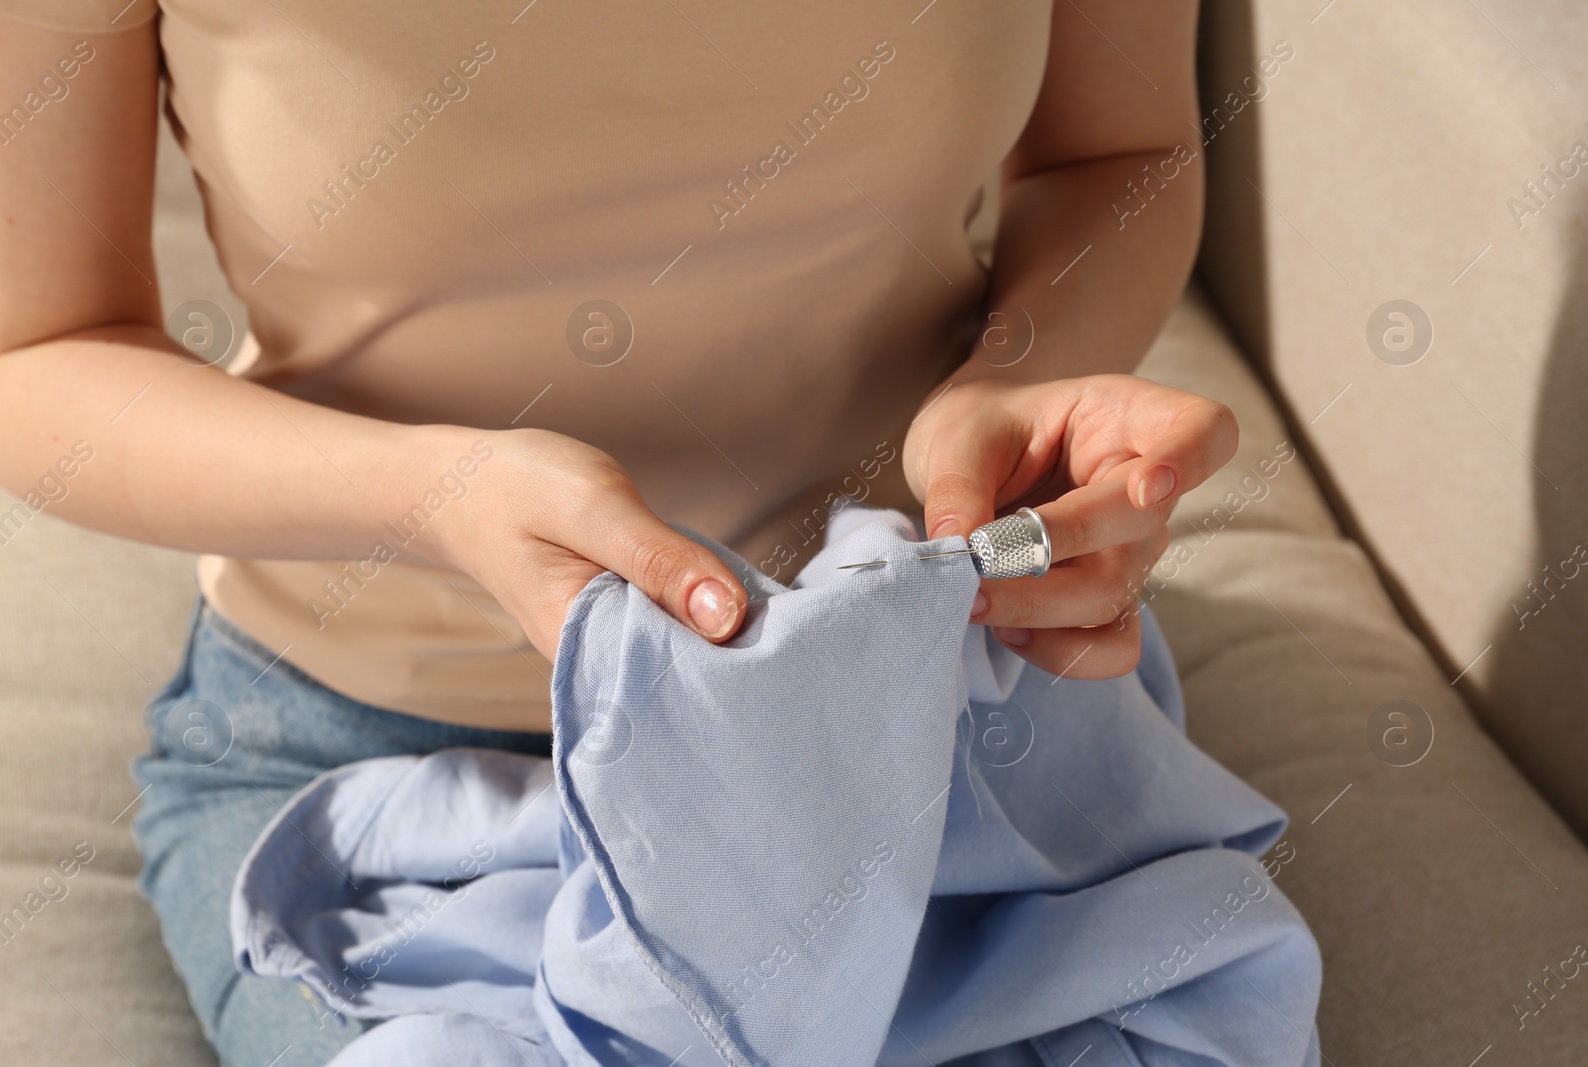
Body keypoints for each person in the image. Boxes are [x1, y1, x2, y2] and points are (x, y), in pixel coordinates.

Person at [0, 1, 1237, 1063]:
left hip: (928, 707)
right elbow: (37, 347)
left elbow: (1113, 150)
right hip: (388, 772)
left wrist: (1013, 391)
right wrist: (435, 495)